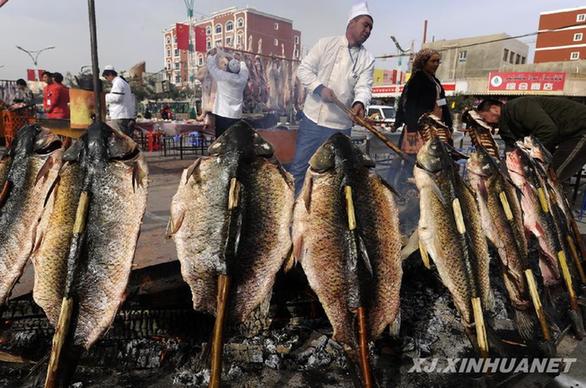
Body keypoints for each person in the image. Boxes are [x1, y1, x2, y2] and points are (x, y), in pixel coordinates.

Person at [291, 1, 374, 194]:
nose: (368, 31)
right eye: (365, 25)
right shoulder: (325, 44)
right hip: (313, 121)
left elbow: (364, 86)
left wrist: (359, 103)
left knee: (335, 178)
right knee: (300, 170)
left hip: (340, 128)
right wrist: (319, 88)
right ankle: (293, 217)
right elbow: (303, 70)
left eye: (371, 28)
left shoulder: (367, 59)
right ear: (351, 22)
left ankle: (321, 220)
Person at [477, 97, 586, 182]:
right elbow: (511, 149)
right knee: (547, 175)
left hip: (580, 129)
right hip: (565, 136)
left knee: (552, 176)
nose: (485, 122)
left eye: (484, 117)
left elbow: (547, 131)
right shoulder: (506, 124)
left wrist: (527, 155)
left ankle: (552, 208)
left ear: (494, 109)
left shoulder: (519, 107)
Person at [395, 48, 452, 154]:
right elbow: (410, 105)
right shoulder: (417, 80)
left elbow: (442, 102)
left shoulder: (435, 81)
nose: (436, 64)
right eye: (433, 61)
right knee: (416, 160)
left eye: (437, 61)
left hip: (434, 127)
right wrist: (412, 129)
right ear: (423, 62)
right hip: (419, 128)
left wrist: (448, 124)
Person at [206, 48, 249, 137]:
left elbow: (211, 67)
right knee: (234, 140)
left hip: (222, 115)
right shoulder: (242, 79)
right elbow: (244, 69)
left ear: (228, 68)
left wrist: (212, 55)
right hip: (236, 116)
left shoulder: (222, 76)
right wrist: (241, 60)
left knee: (221, 141)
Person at [102, 65, 136, 136]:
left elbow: (117, 97)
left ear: (110, 74)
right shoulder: (123, 82)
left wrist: (104, 96)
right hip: (124, 114)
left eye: (106, 77)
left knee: (120, 138)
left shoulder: (118, 82)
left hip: (119, 115)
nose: (107, 79)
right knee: (125, 138)